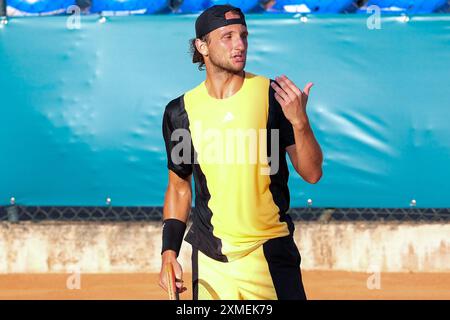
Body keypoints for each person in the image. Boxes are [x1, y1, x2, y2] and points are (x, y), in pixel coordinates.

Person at [159, 4, 323, 300]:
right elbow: (179, 187)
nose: (239, 44)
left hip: (269, 254)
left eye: (244, 35)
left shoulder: (274, 97)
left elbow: (312, 173)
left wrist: (300, 122)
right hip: (210, 260)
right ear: (202, 46)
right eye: (228, 36)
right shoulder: (180, 112)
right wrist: (169, 252)